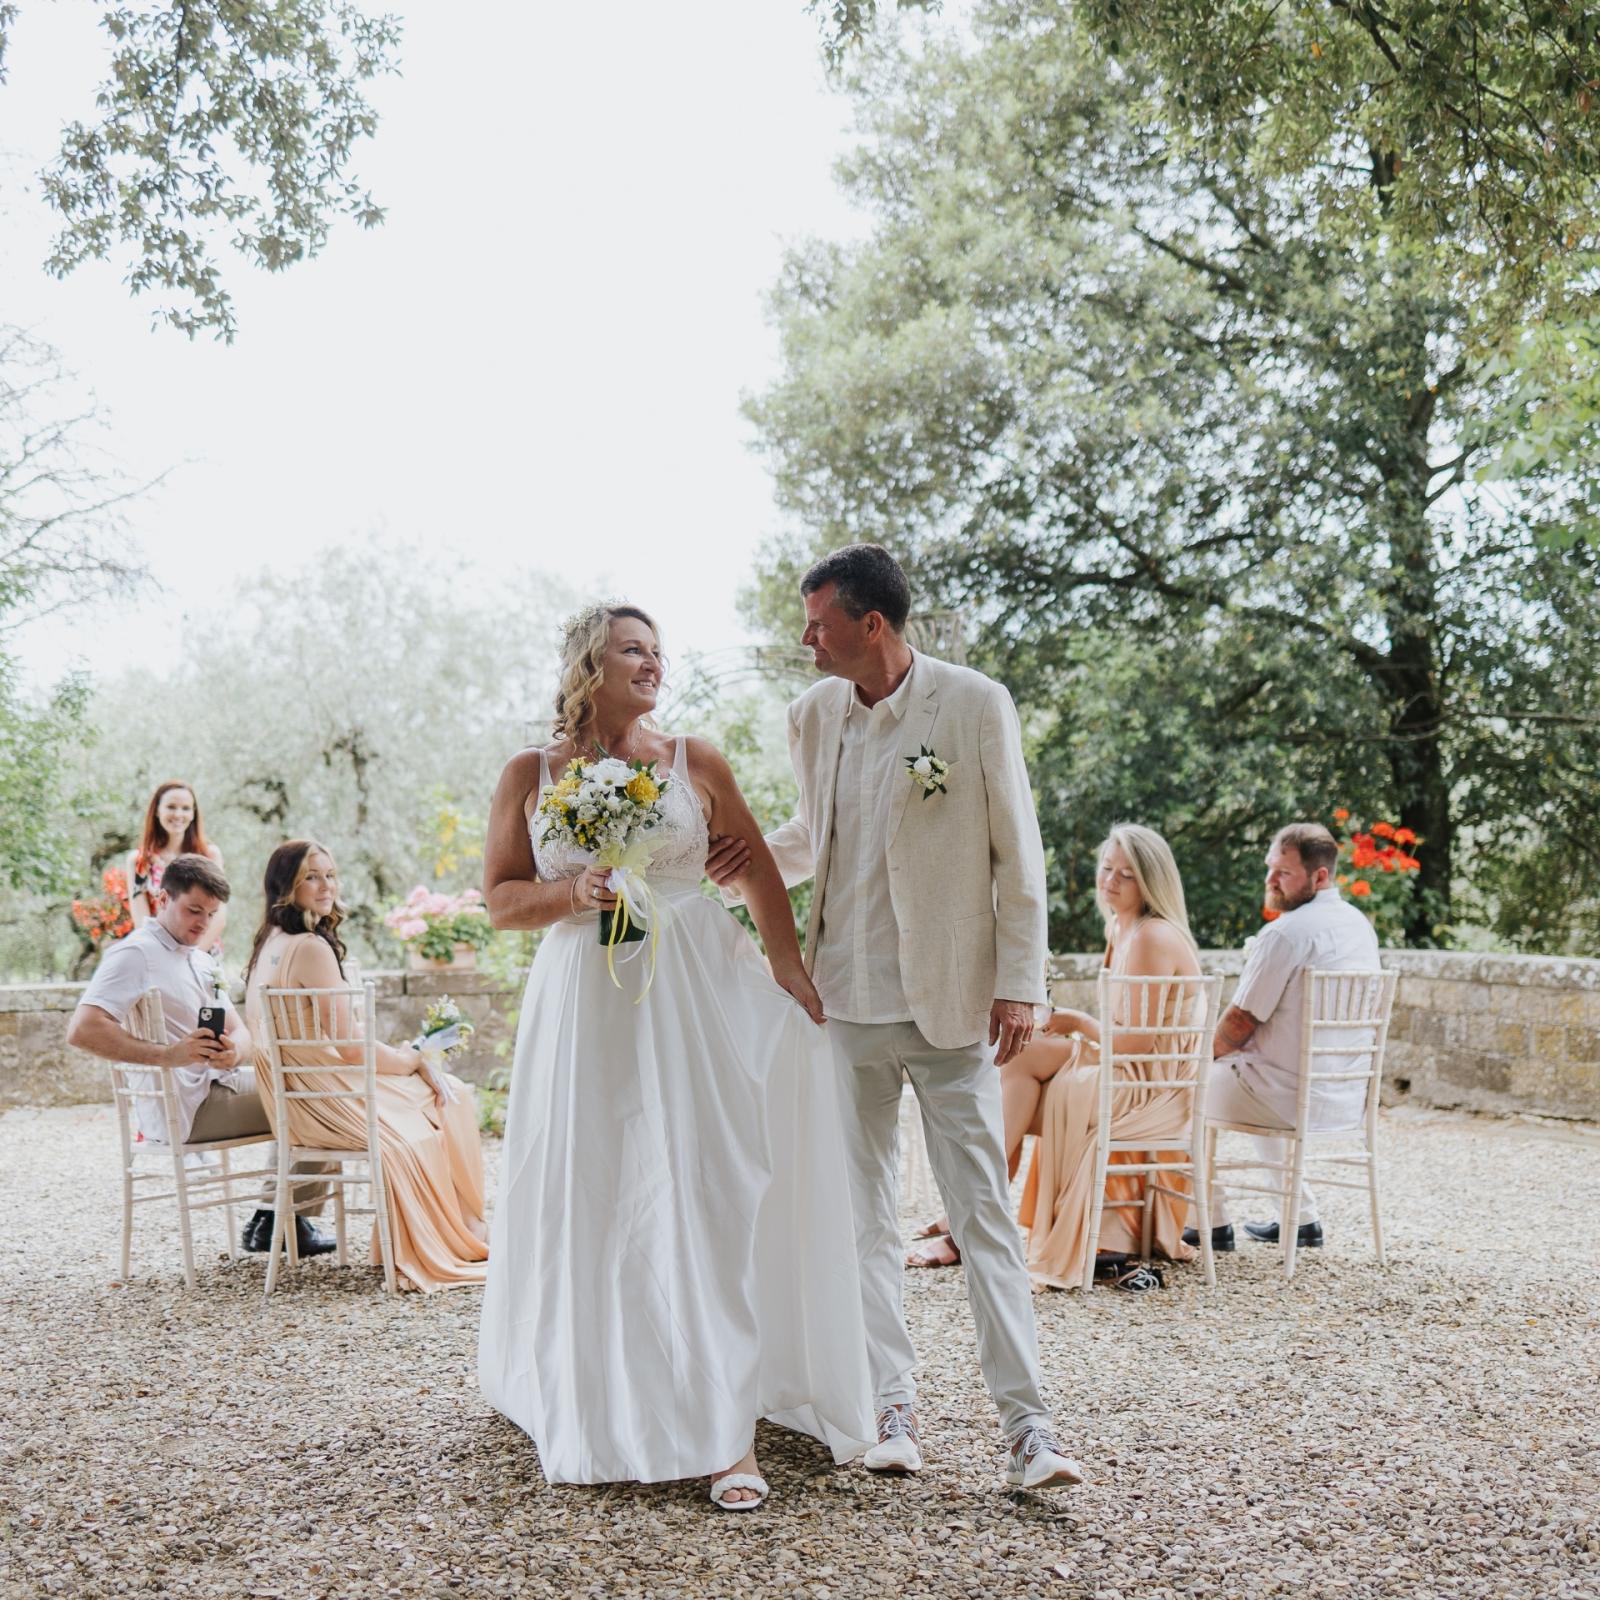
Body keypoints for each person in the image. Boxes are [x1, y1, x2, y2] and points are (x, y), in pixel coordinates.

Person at [477, 603, 873, 1511]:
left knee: (705, 1189)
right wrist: (574, 889)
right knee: (595, 1189)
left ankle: (725, 1429)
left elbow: (760, 873)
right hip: (586, 998)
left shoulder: (694, 761)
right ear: (589, 662)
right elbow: (499, 899)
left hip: (694, 987)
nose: (652, 663)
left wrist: (787, 970)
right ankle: (595, 1394)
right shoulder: (529, 773)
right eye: (632, 650)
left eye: (659, 651)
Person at [706, 544, 1082, 1492]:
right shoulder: (812, 716)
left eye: (818, 622)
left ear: (871, 624)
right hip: (843, 1006)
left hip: (953, 1005)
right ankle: (891, 1407)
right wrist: (721, 862)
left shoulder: (971, 703)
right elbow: (811, 838)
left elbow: (1016, 852)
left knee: (982, 1217)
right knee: (865, 1221)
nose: (805, 638)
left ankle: (1030, 1430)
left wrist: (1021, 981)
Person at [242, 840, 489, 1294]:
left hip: (295, 1101)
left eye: (330, 875)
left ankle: (453, 1229)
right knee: (451, 1094)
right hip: (329, 1099)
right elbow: (352, 1048)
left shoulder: (266, 945)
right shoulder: (311, 947)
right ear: (287, 887)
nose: (325, 886)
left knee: (435, 1091)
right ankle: (462, 1234)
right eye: (311, 876)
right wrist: (413, 1058)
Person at [66, 853, 334, 1258]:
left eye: (211, 914)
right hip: (185, 1106)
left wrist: (234, 1052)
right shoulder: (135, 954)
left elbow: (242, 1030)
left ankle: (276, 1217)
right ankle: (283, 1220)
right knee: (316, 1100)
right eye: (193, 910)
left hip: (216, 1085)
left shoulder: (200, 957)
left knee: (315, 1086)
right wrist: (168, 1055)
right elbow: (82, 1030)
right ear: (162, 898)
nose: (202, 923)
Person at [1185, 822, 1381, 1255]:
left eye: (1284, 873)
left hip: (1284, 1095)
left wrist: (1192, 1059)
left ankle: (1207, 1222)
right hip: (1342, 1094)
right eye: (1270, 869)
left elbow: (1237, 1025)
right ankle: (1302, 1219)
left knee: (1180, 1087)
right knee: (1249, 1071)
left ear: (1320, 877)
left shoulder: (1286, 934)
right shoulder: (1358, 926)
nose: (1271, 880)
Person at [126, 782, 226, 940]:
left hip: (202, 954)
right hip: (157, 952)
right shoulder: (139, 861)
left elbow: (219, 915)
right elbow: (141, 921)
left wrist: (193, 954)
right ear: (157, 811)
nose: (178, 814)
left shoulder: (210, 856)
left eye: (185, 808)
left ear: (193, 814)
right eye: (171, 807)